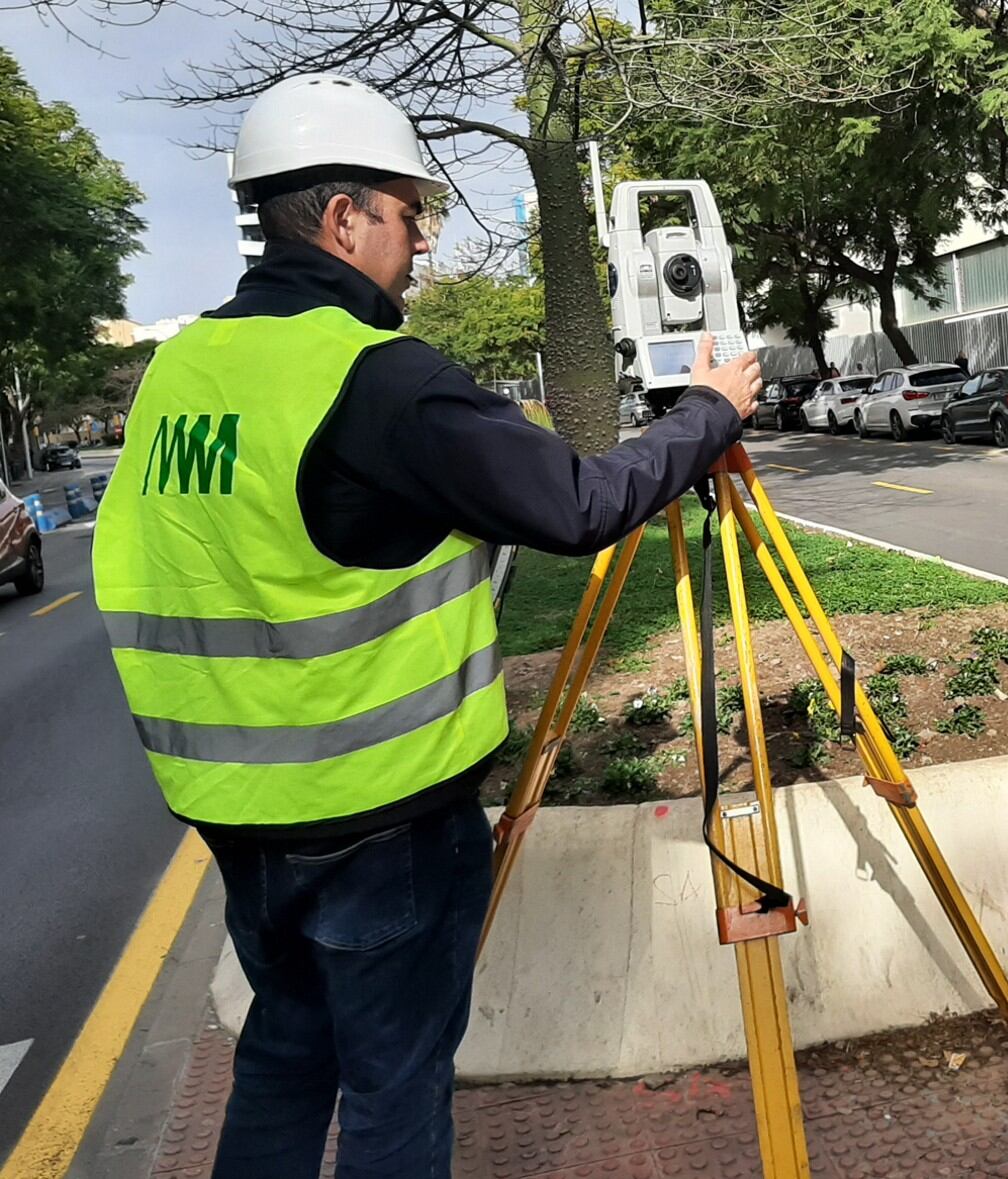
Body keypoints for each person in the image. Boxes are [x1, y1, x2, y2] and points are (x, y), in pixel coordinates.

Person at [89, 73, 760, 1179]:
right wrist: (707, 414)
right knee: (394, 1088)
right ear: (345, 217)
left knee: (287, 1052)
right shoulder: (373, 378)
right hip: (375, 816)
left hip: (235, 814)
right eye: (410, 216)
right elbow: (577, 505)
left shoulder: (179, 371)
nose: (422, 247)